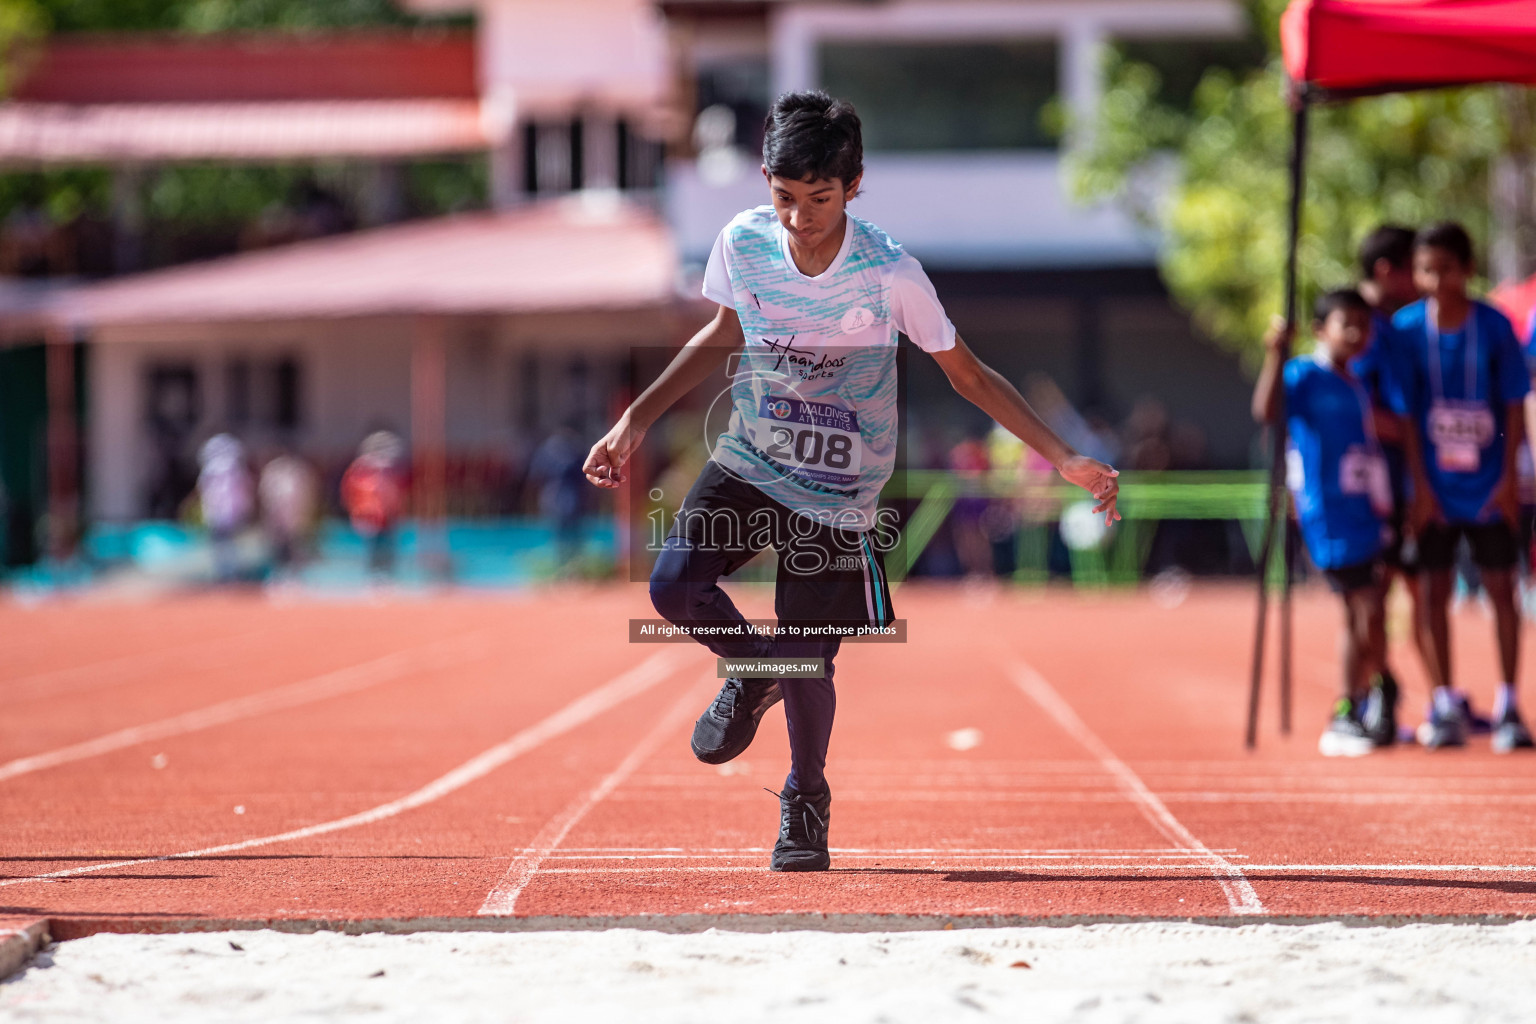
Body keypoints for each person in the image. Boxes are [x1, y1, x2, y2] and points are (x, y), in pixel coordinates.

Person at [582, 90, 1119, 872]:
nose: (801, 217)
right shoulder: (743, 242)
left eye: (821, 199)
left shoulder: (890, 272)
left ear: (855, 185)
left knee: (810, 656)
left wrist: (1062, 455)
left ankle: (805, 800)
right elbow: (722, 333)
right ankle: (753, 671)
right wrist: (633, 421)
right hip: (751, 459)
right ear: (766, 182)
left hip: (838, 490)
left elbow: (967, 375)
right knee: (672, 588)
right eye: (785, 198)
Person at [1395, 222, 1533, 752]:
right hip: (1433, 486)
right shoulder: (1408, 330)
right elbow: (1406, 414)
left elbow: (1515, 403)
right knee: (1433, 590)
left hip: (1489, 484)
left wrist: (1507, 478)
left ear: (1467, 270)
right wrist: (1419, 486)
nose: (1436, 280)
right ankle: (1444, 701)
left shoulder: (1496, 327)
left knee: (1502, 588)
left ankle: (1508, 702)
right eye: (1427, 270)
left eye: (1446, 269)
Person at [1253, 290, 1396, 756]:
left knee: (1371, 611)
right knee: (1362, 609)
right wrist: (1276, 355)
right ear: (1321, 329)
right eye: (1345, 324)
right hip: (1329, 514)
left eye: (1363, 324)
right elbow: (1267, 411)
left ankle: (1378, 690)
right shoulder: (1303, 374)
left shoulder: (1355, 382)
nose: (1356, 333)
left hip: (1364, 510)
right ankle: (1347, 708)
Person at [1348, 225, 1426, 745]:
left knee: (1406, 591)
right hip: (1357, 489)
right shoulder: (1355, 326)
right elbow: (1349, 405)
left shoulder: (1393, 331)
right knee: (1364, 598)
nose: (1421, 283)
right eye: (1414, 269)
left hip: (1397, 484)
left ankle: (1399, 692)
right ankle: (1372, 690)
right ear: (1387, 271)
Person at [341, 430, 407, 579]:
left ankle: (385, 575)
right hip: (369, 515)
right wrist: (357, 510)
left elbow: (393, 495)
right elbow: (352, 492)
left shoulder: (389, 472)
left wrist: (394, 510)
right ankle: (373, 575)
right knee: (372, 547)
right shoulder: (360, 471)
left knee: (386, 546)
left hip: (386, 516)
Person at [197, 433, 255, 584]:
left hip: (221, 512)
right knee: (228, 545)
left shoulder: (212, 470)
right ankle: (229, 576)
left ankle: (227, 576)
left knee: (224, 546)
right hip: (228, 512)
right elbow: (244, 490)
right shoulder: (234, 470)